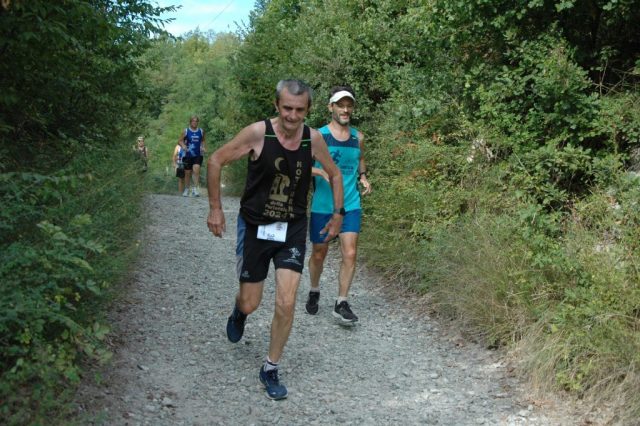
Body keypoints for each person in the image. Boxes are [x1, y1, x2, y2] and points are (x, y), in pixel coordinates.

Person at [206, 79, 344, 400]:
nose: (292, 116)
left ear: (308, 109)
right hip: (255, 226)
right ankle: (239, 311)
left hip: (292, 228)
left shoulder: (313, 139)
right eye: (287, 108)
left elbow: (335, 173)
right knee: (251, 302)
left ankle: (270, 367)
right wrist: (215, 208)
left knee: (286, 301)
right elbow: (215, 160)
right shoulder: (258, 133)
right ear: (277, 105)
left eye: (299, 110)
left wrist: (338, 213)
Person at [306, 86, 372, 325]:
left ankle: (341, 302)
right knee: (319, 253)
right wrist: (320, 172)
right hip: (323, 205)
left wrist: (363, 176)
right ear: (330, 107)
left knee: (350, 252)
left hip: (350, 203)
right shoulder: (318, 136)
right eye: (340, 105)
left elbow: (360, 158)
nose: (345, 110)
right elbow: (301, 165)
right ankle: (314, 289)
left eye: (349, 106)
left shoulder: (358, 137)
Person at [178, 115, 206, 197]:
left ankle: (195, 189)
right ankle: (187, 189)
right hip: (187, 154)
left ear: (198, 122)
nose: (195, 122)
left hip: (198, 154)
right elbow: (180, 141)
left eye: (196, 121)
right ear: (190, 122)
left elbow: (203, 140)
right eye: (193, 121)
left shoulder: (201, 131)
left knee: (196, 170)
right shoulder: (186, 131)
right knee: (187, 173)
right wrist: (183, 146)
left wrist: (203, 147)